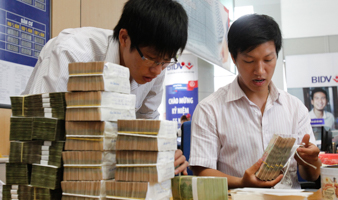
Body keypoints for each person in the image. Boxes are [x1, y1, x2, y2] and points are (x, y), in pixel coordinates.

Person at [22, 0, 189, 175]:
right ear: (124, 38)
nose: (157, 70)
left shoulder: (156, 68)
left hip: (109, 176)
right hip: (53, 171)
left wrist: (164, 153)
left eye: (165, 62)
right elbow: (42, 129)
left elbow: (147, 123)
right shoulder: (72, 51)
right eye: (151, 59)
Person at [189, 14, 321, 189]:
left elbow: (310, 175)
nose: (260, 70)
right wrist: (242, 183)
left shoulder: (295, 108)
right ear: (234, 58)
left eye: (268, 60)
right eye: (249, 61)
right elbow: (202, 172)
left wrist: (311, 161)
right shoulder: (210, 109)